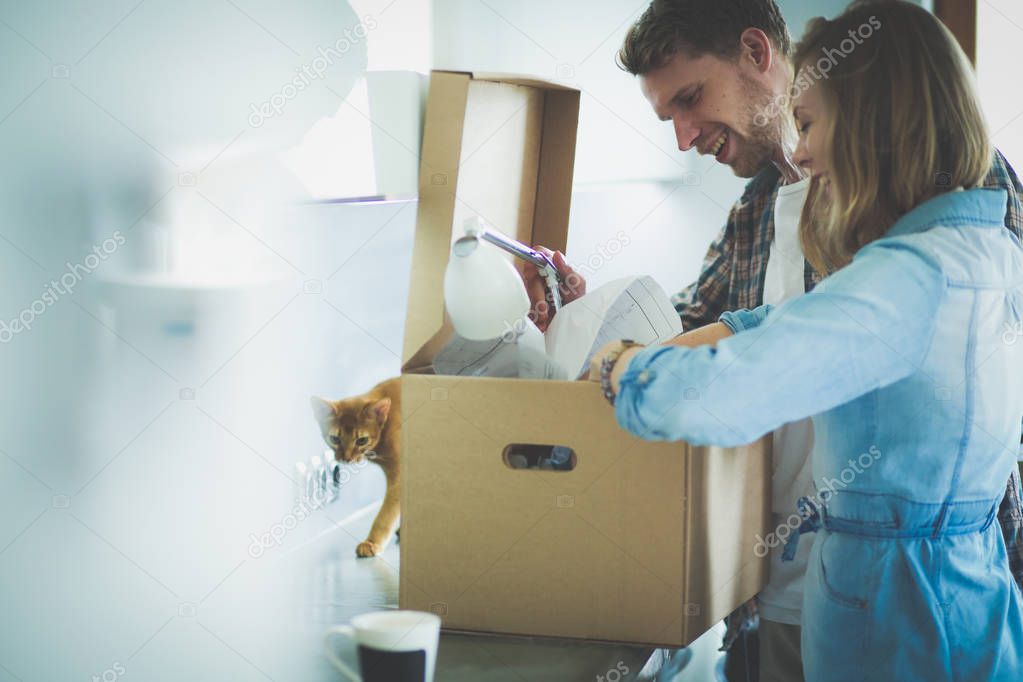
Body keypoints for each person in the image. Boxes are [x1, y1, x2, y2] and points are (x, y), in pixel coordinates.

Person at [523, 1, 1023, 679]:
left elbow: (746, 374)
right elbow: (730, 325)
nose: (684, 136)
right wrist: (594, 325)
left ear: (758, 54)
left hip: (899, 590)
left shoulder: (931, 231)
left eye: (690, 99)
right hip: (781, 580)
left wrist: (628, 374)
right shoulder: (760, 208)